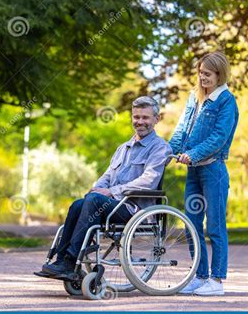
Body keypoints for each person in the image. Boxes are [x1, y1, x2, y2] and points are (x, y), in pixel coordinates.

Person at [37, 96, 172, 279]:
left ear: (156, 119)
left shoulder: (160, 148)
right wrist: (97, 188)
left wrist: (111, 191)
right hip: (112, 205)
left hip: (134, 210)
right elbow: (108, 176)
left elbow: (149, 181)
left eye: (145, 118)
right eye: (136, 117)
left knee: (93, 201)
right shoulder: (122, 149)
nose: (140, 122)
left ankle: (70, 262)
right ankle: (62, 261)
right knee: (79, 204)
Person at [169, 51, 239, 296]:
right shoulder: (194, 98)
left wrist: (194, 153)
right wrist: (167, 151)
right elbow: (181, 130)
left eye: (207, 74)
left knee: (216, 226)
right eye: (200, 73)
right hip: (194, 173)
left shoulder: (226, 101)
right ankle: (200, 276)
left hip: (213, 170)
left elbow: (219, 137)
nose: (202, 78)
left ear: (220, 74)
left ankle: (217, 281)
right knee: (192, 224)